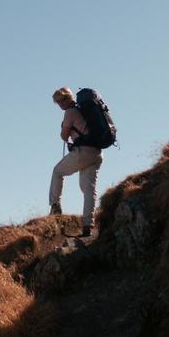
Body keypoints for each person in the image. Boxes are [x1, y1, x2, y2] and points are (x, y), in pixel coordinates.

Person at [49, 86, 103, 237]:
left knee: (57, 172)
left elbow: (64, 135)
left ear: (68, 98)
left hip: (82, 152)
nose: (60, 104)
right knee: (89, 189)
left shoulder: (70, 112)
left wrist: (64, 129)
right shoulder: (84, 110)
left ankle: (55, 206)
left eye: (61, 100)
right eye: (57, 102)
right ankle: (88, 225)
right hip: (96, 152)